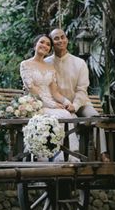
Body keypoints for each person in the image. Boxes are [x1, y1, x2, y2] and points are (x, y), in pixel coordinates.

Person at [45, 28, 110, 162]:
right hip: (58, 105)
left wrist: (75, 105)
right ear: (51, 42)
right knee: (68, 118)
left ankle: (103, 153)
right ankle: (69, 155)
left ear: (67, 39)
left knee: (95, 117)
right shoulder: (46, 63)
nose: (60, 40)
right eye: (56, 38)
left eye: (62, 37)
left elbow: (82, 90)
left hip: (80, 103)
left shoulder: (79, 63)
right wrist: (62, 105)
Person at [19, 34, 79, 162]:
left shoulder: (50, 67)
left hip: (50, 102)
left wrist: (67, 102)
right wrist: (51, 105)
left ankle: (65, 154)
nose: (45, 46)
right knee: (64, 115)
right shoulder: (25, 64)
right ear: (35, 44)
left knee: (69, 114)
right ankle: (53, 156)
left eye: (48, 44)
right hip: (36, 104)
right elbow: (31, 89)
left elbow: (55, 92)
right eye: (42, 42)